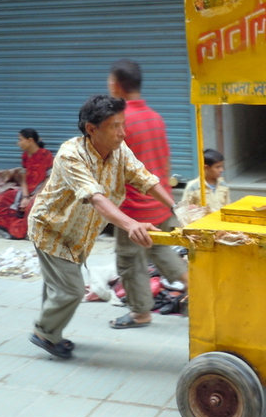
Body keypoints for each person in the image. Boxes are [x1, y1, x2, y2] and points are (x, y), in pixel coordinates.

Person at [27, 94, 178, 359]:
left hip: (78, 233)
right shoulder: (71, 155)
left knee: (58, 286)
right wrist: (131, 224)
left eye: (123, 124)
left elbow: (144, 178)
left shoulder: (119, 151)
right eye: (115, 126)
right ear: (92, 129)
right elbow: (95, 197)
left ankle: (50, 328)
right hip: (52, 230)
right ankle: (44, 333)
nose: (123, 132)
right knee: (71, 290)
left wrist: (175, 207)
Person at [106, 58, 188, 329]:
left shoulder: (117, 122)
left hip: (134, 209)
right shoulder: (156, 118)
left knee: (130, 262)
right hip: (160, 202)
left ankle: (141, 313)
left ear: (117, 86)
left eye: (109, 82)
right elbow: (165, 162)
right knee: (161, 250)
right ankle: (198, 287)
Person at [0, 129, 53, 239]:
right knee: (0, 198)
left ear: (30, 140)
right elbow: (24, 178)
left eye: (20, 140)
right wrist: (25, 196)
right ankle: (3, 227)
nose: (18, 143)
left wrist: (34, 196)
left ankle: (25, 231)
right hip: (26, 191)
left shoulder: (46, 155)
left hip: (43, 190)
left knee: (32, 205)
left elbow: (49, 179)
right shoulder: (25, 156)